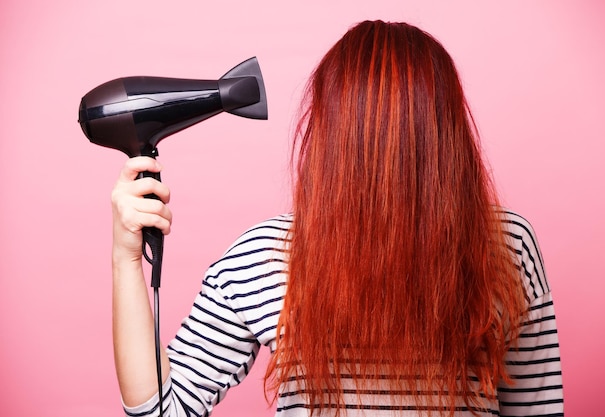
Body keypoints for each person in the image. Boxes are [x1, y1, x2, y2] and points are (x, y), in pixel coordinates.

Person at [110, 20, 564, 417]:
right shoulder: (267, 256)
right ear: (447, 132)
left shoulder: (504, 245)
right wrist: (127, 257)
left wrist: (123, 261)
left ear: (329, 133)